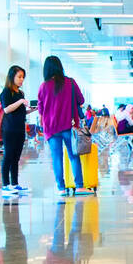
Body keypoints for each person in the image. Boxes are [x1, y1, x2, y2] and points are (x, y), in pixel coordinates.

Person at [37, 55, 91, 199]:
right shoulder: (71, 83)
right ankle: (79, 186)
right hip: (69, 125)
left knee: (57, 158)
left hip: (51, 127)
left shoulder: (43, 86)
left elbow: (41, 109)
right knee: (73, 156)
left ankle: (61, 188)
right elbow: (81, 100)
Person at [0, 64, 30, 196]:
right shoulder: (6, 92)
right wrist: (21, 102)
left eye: (23, 77)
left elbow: (20, 112)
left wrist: (32, 109)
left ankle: (15, 184)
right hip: (9, 129)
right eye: (19, 77)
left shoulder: (20, 93)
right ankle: (5, 185)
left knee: (16, 157)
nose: (21, 79)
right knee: (8, 156)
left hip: (19, 129)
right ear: (12, 77)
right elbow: (6, 109)